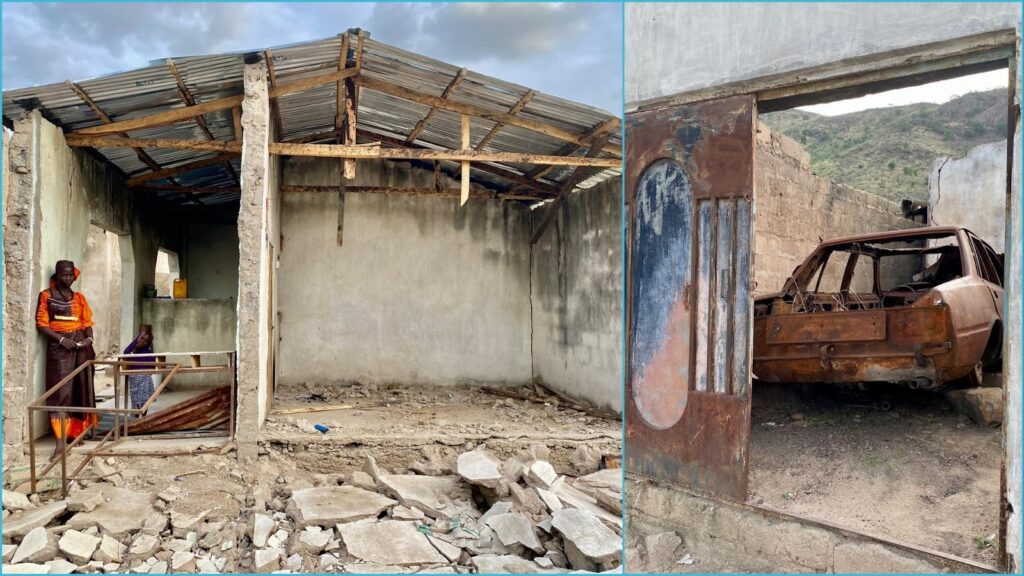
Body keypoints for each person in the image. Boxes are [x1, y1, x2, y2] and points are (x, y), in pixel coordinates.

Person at [35, 260, 98, 457]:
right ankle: (60, 441)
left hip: (80, 346)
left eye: (71, 275)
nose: (68, 278)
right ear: (57, 275)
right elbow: (42, 324)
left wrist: (89, 339)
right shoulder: (46, 296)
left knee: (81, 388)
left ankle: (76, 434)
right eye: (64, 275)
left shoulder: (79, 298)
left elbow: (87, 322)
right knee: (61, 391)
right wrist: (61, 339)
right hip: (59, 348)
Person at [123, 325, 156, 411]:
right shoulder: (134, 345)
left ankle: (143, 417)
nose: (143, 341)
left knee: (145, 401)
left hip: (145, 377)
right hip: (135, 376)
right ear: (138, 337)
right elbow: (126, 355)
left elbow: (153, 364)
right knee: (136, 400)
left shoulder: (148, 349)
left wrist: (148, 372)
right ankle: (136, 416)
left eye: (146, 340)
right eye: (142, 338)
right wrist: (137, 347)